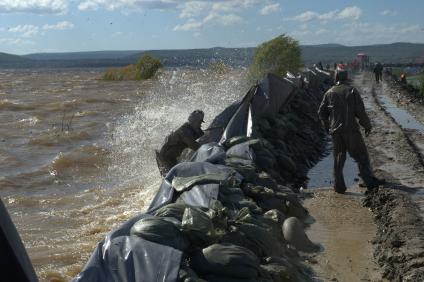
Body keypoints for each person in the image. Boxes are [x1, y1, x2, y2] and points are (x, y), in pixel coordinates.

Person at [318, 69, 382, 193]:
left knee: (338, 158)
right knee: (361, 156)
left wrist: (327, 128)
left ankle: (339, 186)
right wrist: (367, 126)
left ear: (336, 78)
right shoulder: (352, 91)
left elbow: (321, 113)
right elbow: (360, 112)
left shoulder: (329, 92)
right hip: (351, 130)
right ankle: (369, 183)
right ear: (346, 78)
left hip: (336, 132)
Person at [156, 110, 205, 176]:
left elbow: (202, 135)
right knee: (176, 177)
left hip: (173, 156)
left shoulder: (193, 128)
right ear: (193, 121)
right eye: (199, 122)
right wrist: (206, 148)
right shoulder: (184, 131)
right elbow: (194, 146)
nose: (200, 124)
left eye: (200, 122)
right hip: (166, 157)